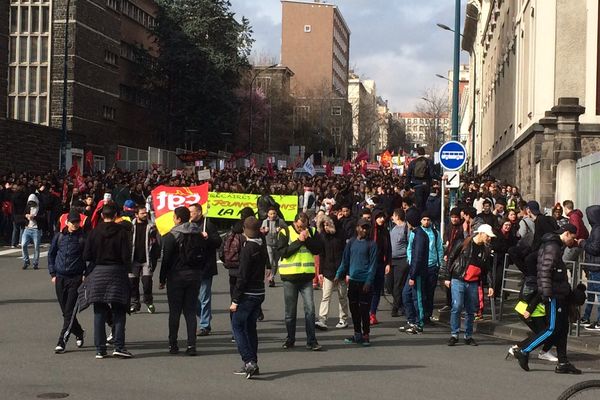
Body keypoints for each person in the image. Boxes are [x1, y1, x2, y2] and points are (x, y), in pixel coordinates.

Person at [512, 224, 582, 374]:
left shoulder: (555, 245)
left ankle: (563, 362)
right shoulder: (553, 246)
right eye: (573, 238)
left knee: (563, 328)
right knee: (552, 328)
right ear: (567, 233)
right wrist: (548, 293)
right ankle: (524, 350)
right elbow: (545, 271)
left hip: (558, 293)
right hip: (554, 294)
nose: (573, 241)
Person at [83, 204, 133, 359]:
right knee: (119, 310)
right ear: (117, 215)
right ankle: (119, 346)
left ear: (102, 215)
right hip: (117, 272)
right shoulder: (122, 232)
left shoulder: (94, 232)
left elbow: (86, 255)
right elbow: (126, 255)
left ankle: (100, 348)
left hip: (98, 272)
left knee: (99, 311)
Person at [441, 224, 495, 347]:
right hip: (458, 279)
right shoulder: (464, 242)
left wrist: (491, 285)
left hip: (473, 282)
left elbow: (488, 269)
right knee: (457, 306)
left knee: (471, 310)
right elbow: (451, 258)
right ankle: (454, 334)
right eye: (487, 236)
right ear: (481, 233)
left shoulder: (486, 249)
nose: (489, 238)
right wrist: (447, 277)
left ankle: (468, 335)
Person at [159, 207, 203, 356]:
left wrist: (162, 278)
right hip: (194, 275)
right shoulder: (198, 233)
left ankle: (173, 344)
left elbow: (165, 259)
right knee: (190, 311)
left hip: (176, 276)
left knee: (175, 311)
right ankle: (192, 345)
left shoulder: (172, 235)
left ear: (178, 218)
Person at [277, 212, 323, 351]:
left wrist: (307, 239)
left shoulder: (312, 231)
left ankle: (312, 341)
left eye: (305, 226)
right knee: (290, 312)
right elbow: (283, 252)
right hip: (290, 277)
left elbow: (318, 249)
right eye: (300, 226)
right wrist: (299, 241)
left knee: (310, 310)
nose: (302, 229)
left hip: (306, 278)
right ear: (295, 222)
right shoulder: (285, 232)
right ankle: (290, 339)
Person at [231, 217, 268, 379]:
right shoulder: (261, 245)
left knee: (237, 325)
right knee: (250, 327)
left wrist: (235, 300)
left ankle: (248, 361)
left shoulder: (247, 248)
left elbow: (242, 276)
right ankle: (254, 361)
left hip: (248, 293)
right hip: (259, 291)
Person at [48, 210, 87, 354]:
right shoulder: (59, 237)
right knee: (65, 312)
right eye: (73, 222)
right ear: (67, 222)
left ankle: (61, 341)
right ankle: (79, 331)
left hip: (75, 278)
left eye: (78, 222)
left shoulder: (83, 238)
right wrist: (52, 273)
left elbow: (88, 258)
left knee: (69, 311)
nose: (76, 224)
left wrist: (85, 274)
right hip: (60, 277)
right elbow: (51, 255)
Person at [335, 217, 377, 346]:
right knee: (354, 309)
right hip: (353, 281)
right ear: (357, 228)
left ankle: (366, 335)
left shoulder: (372, 244)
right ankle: (357, 333)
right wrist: (338, 275)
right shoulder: (351, 243)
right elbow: (345, 261)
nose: (365, 230)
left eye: (367, 228)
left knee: (364, 310)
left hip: (365, 282)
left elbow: (373, 265)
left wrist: (368, 282)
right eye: (362, 227)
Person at [189, 203, 222, 337]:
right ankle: (203, 314)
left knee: (204, 298)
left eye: (192, 212)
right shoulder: (188, 225)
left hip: (205, 267)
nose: (190, 214)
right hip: (190, 267)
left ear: (199, 212)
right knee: (191, 298)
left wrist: (208, 238)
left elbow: (218, 242)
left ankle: (204, 325)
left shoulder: (208, 224)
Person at [315, 214, 349, 330]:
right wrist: (320, 272)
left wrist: (347, 271)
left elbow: (346, 254)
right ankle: (322, 319)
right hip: (328, 271)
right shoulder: (323, 237)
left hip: (341, 270)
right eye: (324, 225)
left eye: (327, 224)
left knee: (342, 296)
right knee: (326, 296)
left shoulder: (341, 235)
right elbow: (321, 255)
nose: (325, 227)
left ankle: (343, 319)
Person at [399, 208, 429, 334]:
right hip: (413, 270)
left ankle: (419, 323)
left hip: (417, 272)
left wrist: (413, 275)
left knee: (417, 298)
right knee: (406, 295)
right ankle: (411, 320)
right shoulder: (416, 234)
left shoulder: (420, 236)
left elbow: (418, 257)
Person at [128, 205, 160, 314]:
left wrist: (155, 259)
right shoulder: (130, 226)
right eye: (142, 213)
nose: (145, 214)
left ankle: (149, 302)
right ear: (136, 215)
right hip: (133, 260)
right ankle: (134, 303)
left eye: (145, 212)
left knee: (147, 283)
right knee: (133, 283)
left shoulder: (152, 226)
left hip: (147, 259)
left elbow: (156, 244)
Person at [369, 209, 392, 325]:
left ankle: (372, 313)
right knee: (368, 289)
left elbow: (389, 249)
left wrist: (388, 263)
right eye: (379, 217)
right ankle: (366, 312)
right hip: (368, 265)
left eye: (383, 217)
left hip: (380, 264)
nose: (382, 219)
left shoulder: (385, 231)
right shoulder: (369, 231)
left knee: (377, 290)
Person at [580, 205, 600, 330]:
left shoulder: (598, 230)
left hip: (597, 267)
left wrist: (582, 243)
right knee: (591, 294)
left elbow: (595, 248)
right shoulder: (595, 228)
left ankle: (598, 320)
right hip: (593, 266)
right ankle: (586, 317)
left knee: (597, 294)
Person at [389, 208, 410, 317]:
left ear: (397, 216)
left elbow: (409, 243)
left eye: (393, 215)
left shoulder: (406, 228)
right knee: (390, 284)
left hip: (402, 259)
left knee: (398, 285)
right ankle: (401, 304)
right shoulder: (394, 228)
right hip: (391, 259)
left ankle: (395, 307)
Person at [261, 207, 287, 287]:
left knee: (275, 263)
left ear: (276, 214)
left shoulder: (280, 221)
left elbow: (287, 229)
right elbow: (261, 231)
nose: (272, 215)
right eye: (271, 214)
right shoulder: (265, 222)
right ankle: (270, 278)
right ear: (268, 214)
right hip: (268, 244)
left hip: (278, 245)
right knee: (271, 260)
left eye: (274, 213)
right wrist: (264, 230)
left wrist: (281, 230)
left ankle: (272, 276)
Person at [406, 147, 436, 212]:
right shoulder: (429, 161)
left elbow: (408, 175)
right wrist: (440, 178)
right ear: (424, 153)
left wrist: (407, 187)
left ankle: (418, 217)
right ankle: (425, 216)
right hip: (426, 185)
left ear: (417, 153)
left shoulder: (412, 163)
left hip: (416, 185)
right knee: (425, 204)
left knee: (418, 205)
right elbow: (432, 174)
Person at [21, 193, 42, 269]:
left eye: (32, 202)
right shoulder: (28, 207)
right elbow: (23, 214)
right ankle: (26, 261)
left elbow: (43, 218)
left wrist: (34, 217)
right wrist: (26, 216)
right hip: (27, 228)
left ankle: (35, 263)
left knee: (36, 247)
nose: (31, 204)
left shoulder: (40, 207)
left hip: (36, 229)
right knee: (23, 245)